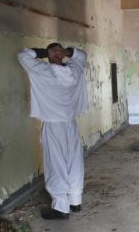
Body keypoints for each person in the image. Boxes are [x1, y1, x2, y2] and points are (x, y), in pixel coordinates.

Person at [18, 43, 88, 220]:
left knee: (56, 165)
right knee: (74, 162)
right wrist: (67, 52)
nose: (57, 53)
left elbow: (23, 55)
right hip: (70, 124)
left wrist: (46, 52)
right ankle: (75, 200)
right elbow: (82, 56)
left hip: (53, 125)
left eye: (58, 51)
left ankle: (61, 208)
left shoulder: (43, 70)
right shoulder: (74, 71)